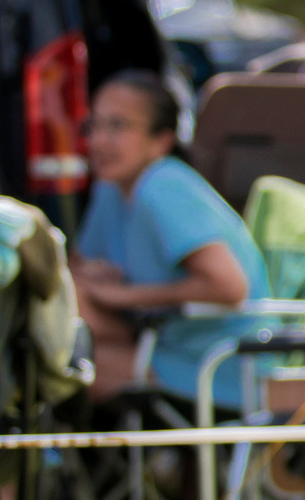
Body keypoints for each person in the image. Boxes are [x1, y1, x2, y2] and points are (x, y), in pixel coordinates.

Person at [71, 70, 269, 407]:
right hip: (161, 343)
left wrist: (123, 296)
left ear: (161, 140)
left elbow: (229, 287)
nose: (99, 141)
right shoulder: (111, 187)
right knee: (64, 310)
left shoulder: (162, 186)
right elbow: (79, 263)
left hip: (221, 362)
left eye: (117, 126)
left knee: (66, 367)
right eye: (94, 125)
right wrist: (93, 274)